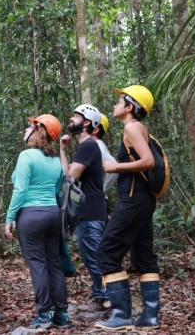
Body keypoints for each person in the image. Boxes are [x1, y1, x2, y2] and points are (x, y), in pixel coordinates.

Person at [95, 85, 160, 330]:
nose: (115, 105)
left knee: (107, 252)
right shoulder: (139, 128)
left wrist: (115, 167)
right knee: (144, 256)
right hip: (142, 200)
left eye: (120, 100)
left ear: (130, 107)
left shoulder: (132, 127)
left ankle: (121, 315)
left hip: (133, 200)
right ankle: (150, 317)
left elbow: (148, 161)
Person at [4, 114, 70, 329]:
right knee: (53, 263)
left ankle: (44, 313)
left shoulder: (27, 156)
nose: (25, 130)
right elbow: (59, 186)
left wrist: (9, 218)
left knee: (38, 265)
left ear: (37, 131)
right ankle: (62, 314)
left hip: (31, 216)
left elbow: (21, 189)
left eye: (28, 127)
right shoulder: (54, 160)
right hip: (52, 215)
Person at [59, 104, 109, 311]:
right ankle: (101, 294)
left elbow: (71, 176)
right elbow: (68, 174)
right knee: (91, 255)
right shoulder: (84, 147)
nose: (72, 118)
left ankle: (109, 298)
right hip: (89, 211)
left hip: (91, 210)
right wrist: (62, 150)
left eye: (76, 116)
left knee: (94, 255)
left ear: (87, 122)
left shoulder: (88, 145)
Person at [92, 114, 119, 215]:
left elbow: (114, 169)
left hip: (97, 203)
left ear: (96, 129)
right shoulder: (93, 144)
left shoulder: (97, 145)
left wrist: (102, 192)